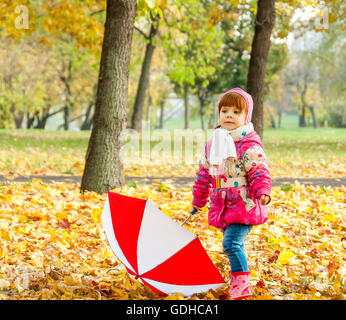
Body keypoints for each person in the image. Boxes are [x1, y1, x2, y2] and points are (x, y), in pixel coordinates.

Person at [191, 88, 272, 300]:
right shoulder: (213, 143)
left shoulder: (249, 144)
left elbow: (259, 169)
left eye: (236, 112)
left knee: (231, 244)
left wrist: (263, 190)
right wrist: (199, 199)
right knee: (234, 244)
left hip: (245, 204)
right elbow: (203, 175)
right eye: (224, 110)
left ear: (246, 117)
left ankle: (242, 285)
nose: (229, 115)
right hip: (223, 205)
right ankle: (237, 276)